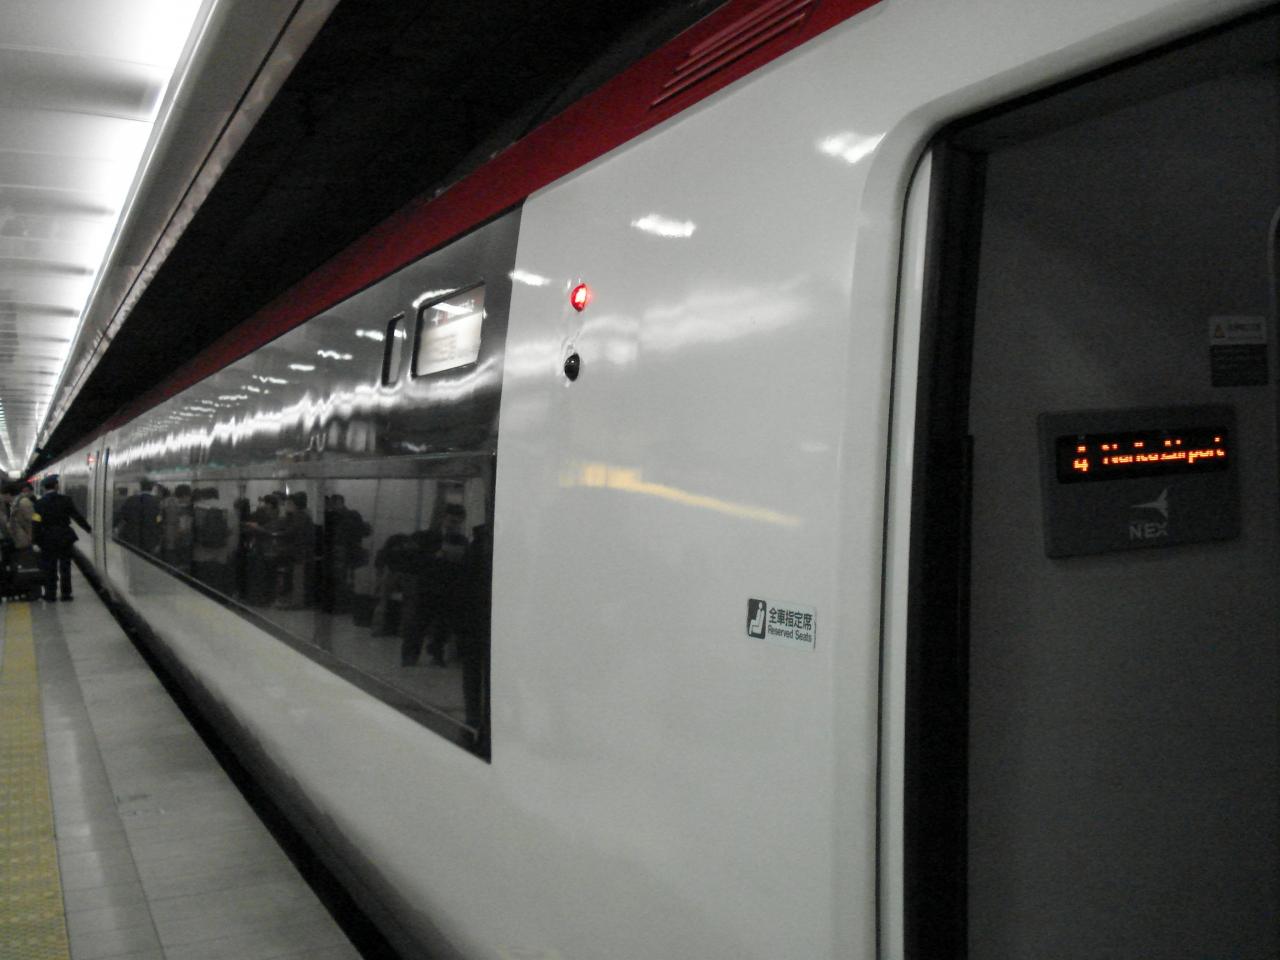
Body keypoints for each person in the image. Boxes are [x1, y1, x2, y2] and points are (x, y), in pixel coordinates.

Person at [32, 475, 88, 602]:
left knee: (49, 568)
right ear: (56, 486)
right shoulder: (66, 500)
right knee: (65, 567)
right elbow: (76, 516)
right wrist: (88, 529)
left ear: (44, 488)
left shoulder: (38, 504)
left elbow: (36, 523)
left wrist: (35, 541)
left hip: (47, 539)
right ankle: (66, 594)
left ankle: (50, 595)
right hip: (64, 537)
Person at [115, 478, 162, 553]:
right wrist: (157, 541)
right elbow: (158, 521)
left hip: (130, 538)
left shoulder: (130, 500)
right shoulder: (156, 502)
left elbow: (120, 516)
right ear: (152, 488)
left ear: (140, 487)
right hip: (149, 540)